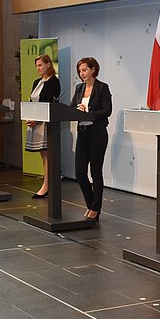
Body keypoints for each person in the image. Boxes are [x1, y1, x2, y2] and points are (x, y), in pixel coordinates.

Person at [70, 57, 112, 221]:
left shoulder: (102, 87)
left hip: (97, 133)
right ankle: (91, 204)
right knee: (80, 173)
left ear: (93, 69)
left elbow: (107, 110)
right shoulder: (79, 88)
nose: (82, 74)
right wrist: (76, 109)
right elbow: (71, 107)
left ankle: (96, 208)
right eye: (80, 71)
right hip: (83, 132)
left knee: (96, 172)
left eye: (85, 70)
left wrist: (89, 112)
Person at [25, 54, 61, 198]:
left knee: (48, 155)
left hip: (45, 123)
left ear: (48, 65)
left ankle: (47, 185)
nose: (38, 68)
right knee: (43, 155)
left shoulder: (54, 82)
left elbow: (49, 105)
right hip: (35, 122)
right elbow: (31, 101)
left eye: (40, 65)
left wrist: (37, 120)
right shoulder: (36, 82)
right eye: (36, 66)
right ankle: (47, 184)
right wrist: (29, 117)